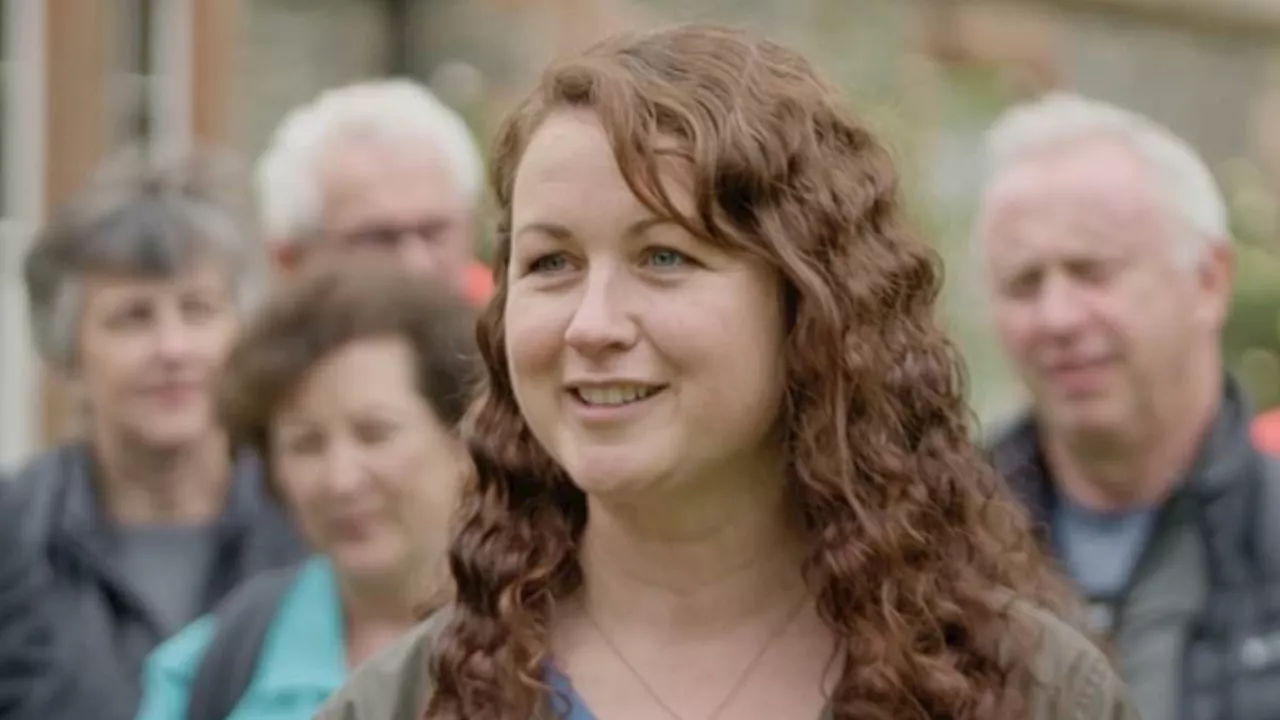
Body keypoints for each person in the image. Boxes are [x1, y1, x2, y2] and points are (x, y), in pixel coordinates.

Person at [318, 24, 1137, 720]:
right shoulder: (414, 700)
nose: (593, 323)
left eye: (664, 255)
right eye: (551, 262)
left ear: (811, 304)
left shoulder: (1023, 691)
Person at [978, 92, 1280, 720]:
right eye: (1023, 283)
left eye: (1093, 272)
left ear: (1208, 281)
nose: (1056, 318)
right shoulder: (932, 546)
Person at [7, 151, 305, 720]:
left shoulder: (309, 522)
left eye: (198, 310)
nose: (173, 349)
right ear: (65, 354)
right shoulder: (15, 534)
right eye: (133, 317)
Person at [132, 256, 478, 720]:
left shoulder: (558, 651)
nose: (341, 479)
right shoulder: (205, 672)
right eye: (305, 444)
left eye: (375, 433)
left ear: (463, 439)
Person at [255, 79, 494, 305]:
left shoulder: (515, 334)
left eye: (434, 232)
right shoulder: (242, 345)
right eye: (377, 238)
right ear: (290, 260)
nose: (416, 265)